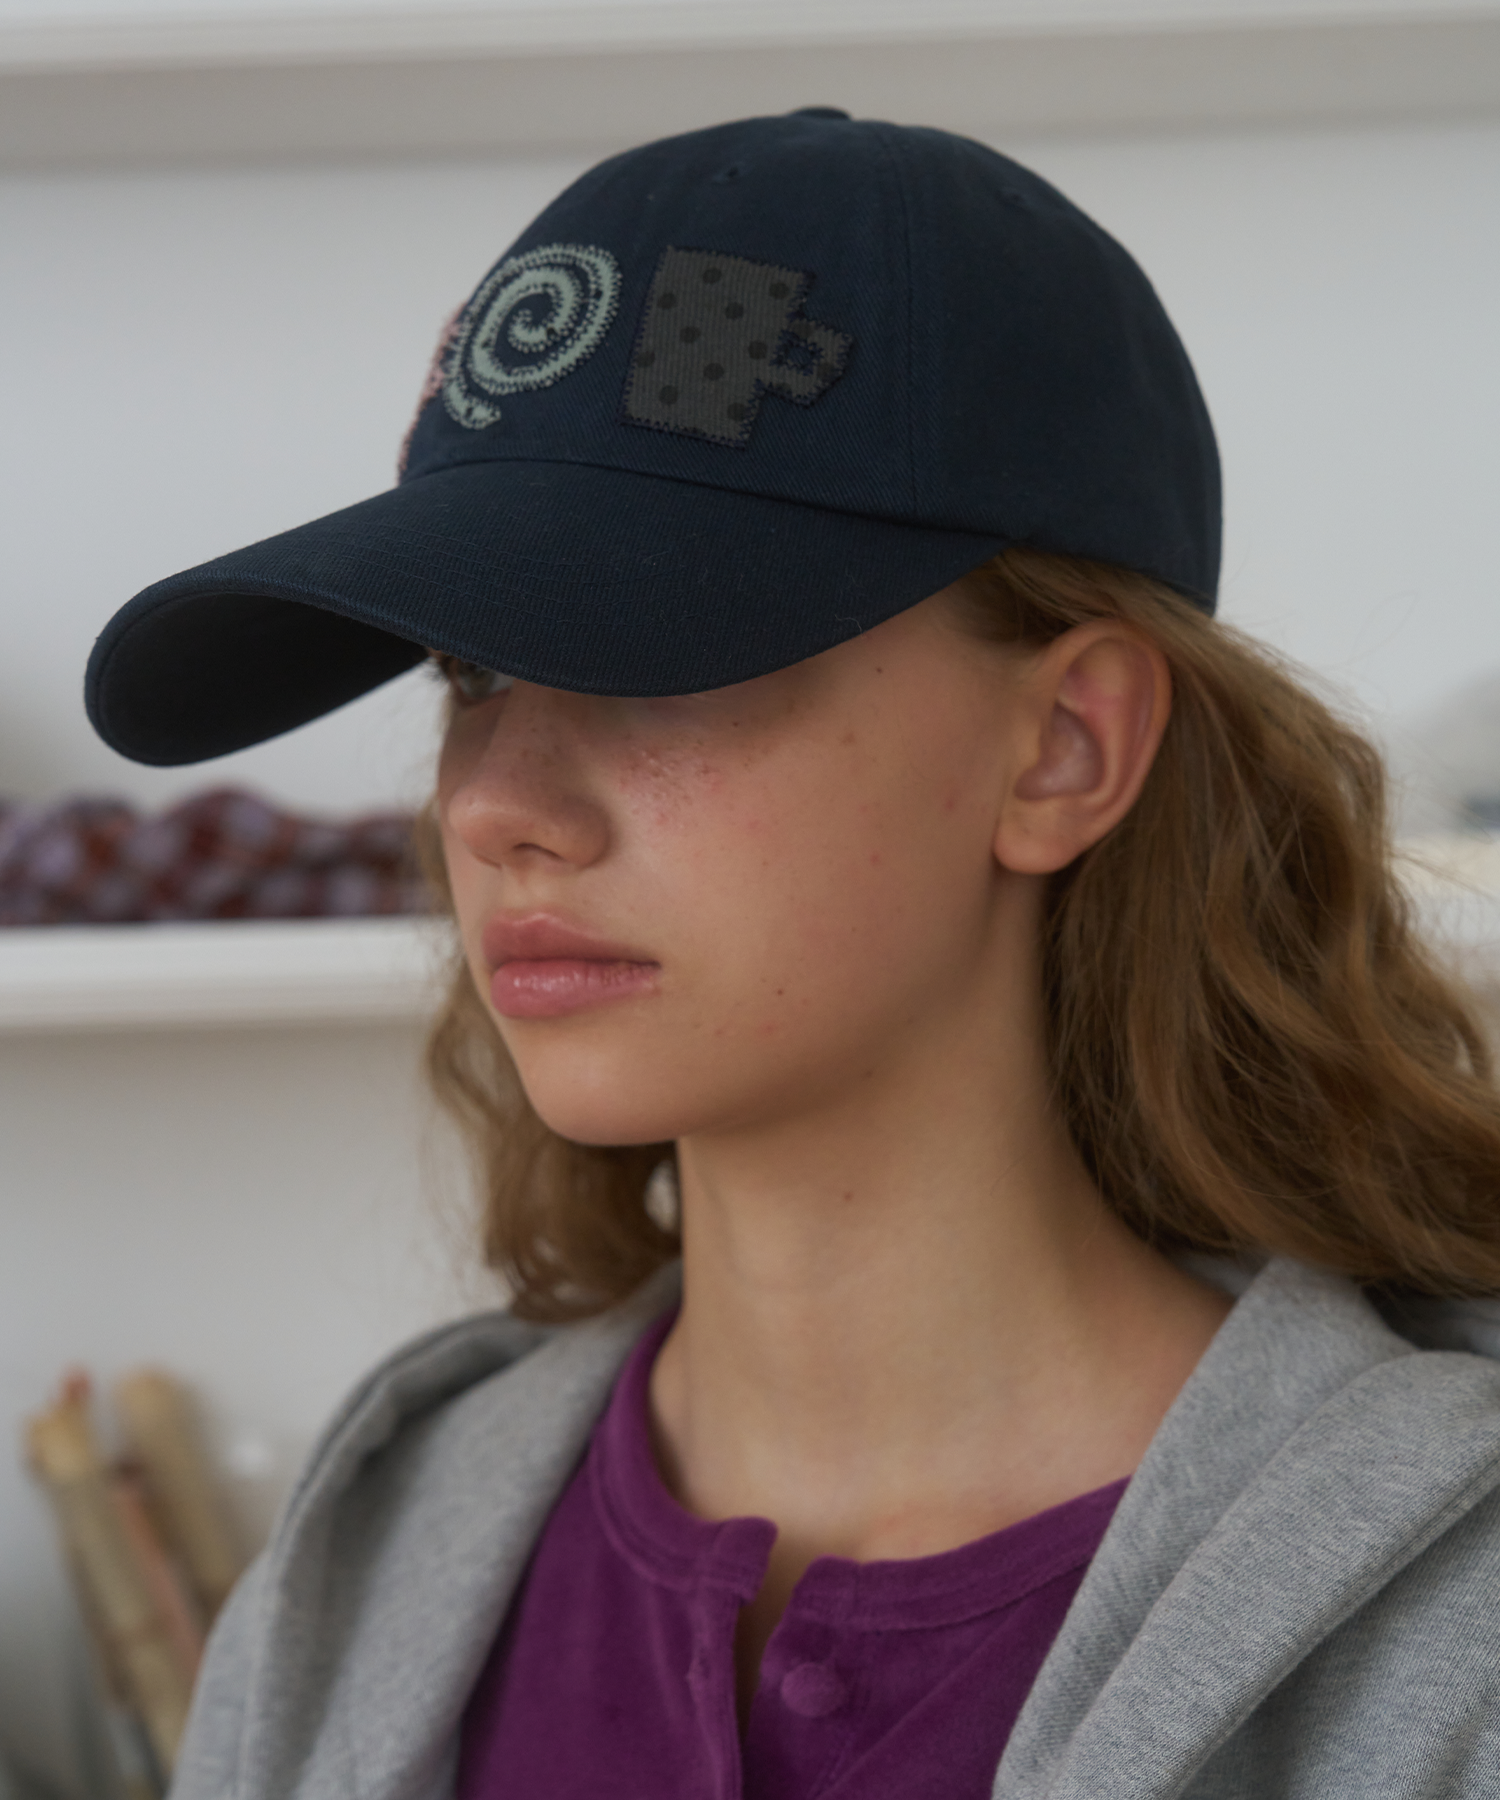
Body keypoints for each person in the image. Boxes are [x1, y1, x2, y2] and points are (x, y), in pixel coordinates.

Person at [86, 111, 1500, 1799]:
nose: (493, 807)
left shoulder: (1454, 1643)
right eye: (472, 674)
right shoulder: (360, 1569)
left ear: (1065, 750)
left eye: (652, 653)